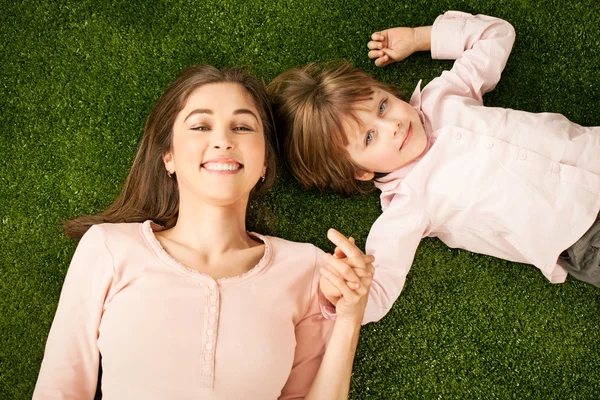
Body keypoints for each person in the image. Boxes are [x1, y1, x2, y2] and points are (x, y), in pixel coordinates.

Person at [33, 64, 375, 399]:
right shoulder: (109, 248)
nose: (223, 140)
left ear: (265, 162)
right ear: (168, 156)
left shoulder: (308, 268)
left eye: (242, 127)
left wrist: (348, 317)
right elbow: (59, 390)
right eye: (200, 126)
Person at [268, 11, 600, 324]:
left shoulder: (442, 96)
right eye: (369, 137)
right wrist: (338, 294)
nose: (393, 126)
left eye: (382, 105)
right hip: (581, 235)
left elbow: (496, 35)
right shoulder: (408, 205)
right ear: (360, 172)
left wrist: (419, 37)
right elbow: (378, 291)